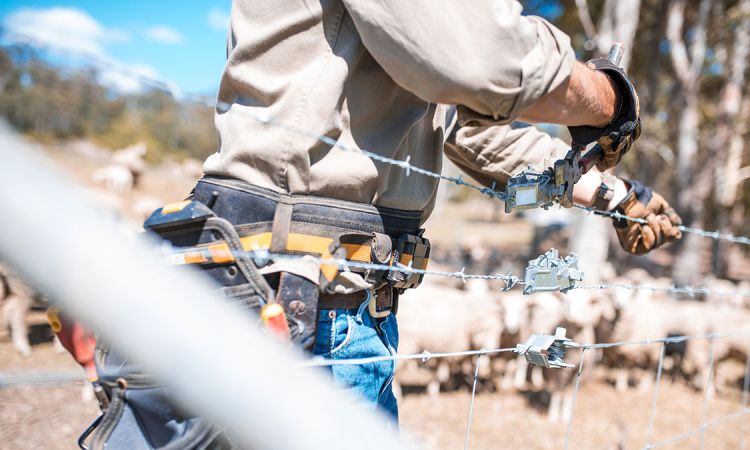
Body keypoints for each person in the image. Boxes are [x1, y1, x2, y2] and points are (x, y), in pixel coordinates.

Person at [82, 1, 682, 447]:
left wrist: (608, 192)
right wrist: (609, 99)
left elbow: (467, 129)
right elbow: (481, 60)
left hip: (334, 294)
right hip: (297, 286)